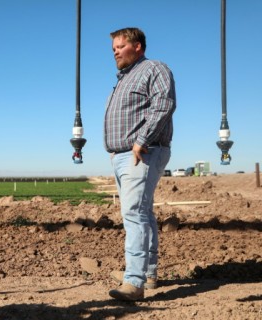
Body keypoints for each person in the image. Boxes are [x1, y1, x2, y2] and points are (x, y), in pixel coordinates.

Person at [104, 27, 176, 301]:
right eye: (113, 48)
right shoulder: (124, 78)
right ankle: (148, 273)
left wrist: (140, 141)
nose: (115, 52)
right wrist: (115, 150)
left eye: (120, 46)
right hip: (125, 155)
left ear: (138, 46)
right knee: (142, 213)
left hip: (144, 151)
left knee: (133, 213)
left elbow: (164, 104)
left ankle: (133, 282)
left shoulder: (154, 68)